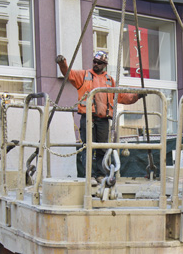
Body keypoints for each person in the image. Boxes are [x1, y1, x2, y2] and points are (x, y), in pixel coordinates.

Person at [56, 51, 142, 179]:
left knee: (102, 148)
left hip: (102, 120)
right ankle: (88, 176)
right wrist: (62, 63)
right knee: (87, 147)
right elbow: (68, 74)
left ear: (105, 65)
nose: (96, 64)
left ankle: (100, 175)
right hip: (88, 118)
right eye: (94, 62)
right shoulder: (84, 75)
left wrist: (137, 95)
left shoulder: (110, 80)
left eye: (99, 63)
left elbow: (123, 96)